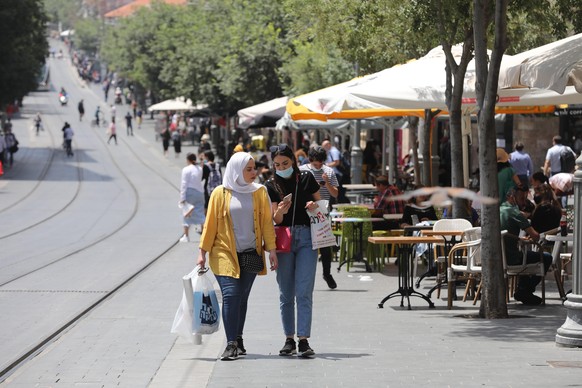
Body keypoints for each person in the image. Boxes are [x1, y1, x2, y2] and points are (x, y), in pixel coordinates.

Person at [197, 152, 278, 361]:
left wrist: (272, 250)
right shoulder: (219, 193)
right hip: (224, 252)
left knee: (241, 297)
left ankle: (238, 339)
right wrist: (202, 253)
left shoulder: (260, 192)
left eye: (254, 169)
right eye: (248, 169)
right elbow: (210, 225)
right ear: (236, 170)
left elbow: (268, 224)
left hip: (251, 253)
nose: (254, 173)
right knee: (231, 295)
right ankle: (231, 343)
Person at [265, 144, 320, 358]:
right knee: (286, 292)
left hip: (307, 236)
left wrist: (316, 207)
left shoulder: (306, 178)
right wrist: (280, 212)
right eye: (277, 164)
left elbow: (323, 204)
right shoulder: (271, 184)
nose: (281, 167)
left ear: (293, 161)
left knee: (304, 291)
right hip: (283, 238)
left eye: (285, 163)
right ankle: (289, 339)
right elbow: (274, 219)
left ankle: (304, 339)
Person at [500, 187, 552, 305]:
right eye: (521, 199)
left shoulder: (494, 211)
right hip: (511, 259)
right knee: (547, 257)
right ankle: (525, 290)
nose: (524, 202)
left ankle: (523, 290)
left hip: (493, 257)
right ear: (512, 198)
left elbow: (503, 234)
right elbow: (535, 236)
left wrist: (518, 239)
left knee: (527, 256)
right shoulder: (515, 212)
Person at [300, 146, 339, 289]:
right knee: (306, 244)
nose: (318, 166)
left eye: (320, 164)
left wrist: (327, 183)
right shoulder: (302, 170)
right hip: (305, 211)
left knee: (325, 244)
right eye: (315, 164)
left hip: (322, 211)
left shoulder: (328, 171)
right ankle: (304, 276)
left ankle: (327, 273)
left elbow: (335, 194)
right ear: (310, 160)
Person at [179, 153, 206, 242]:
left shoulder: (186, 169)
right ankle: (204, 236)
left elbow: (184, 184)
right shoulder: (199, 169)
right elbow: (201, 166)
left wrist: (182, 197)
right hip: (200, 192)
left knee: (186, 213)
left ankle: (186, 236)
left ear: (188, 160)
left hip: (190, 192)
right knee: (201, 214)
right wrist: (202, 160)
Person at [322, 139, 349, 203]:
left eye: (324, 147)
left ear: (328, 145)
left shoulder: (334, 151)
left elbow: (337, 162)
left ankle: (333, 202)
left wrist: (326, 165)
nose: (324, 149)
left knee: (333, 189)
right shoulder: (330, 151)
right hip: (335, 173)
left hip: (337, 174)